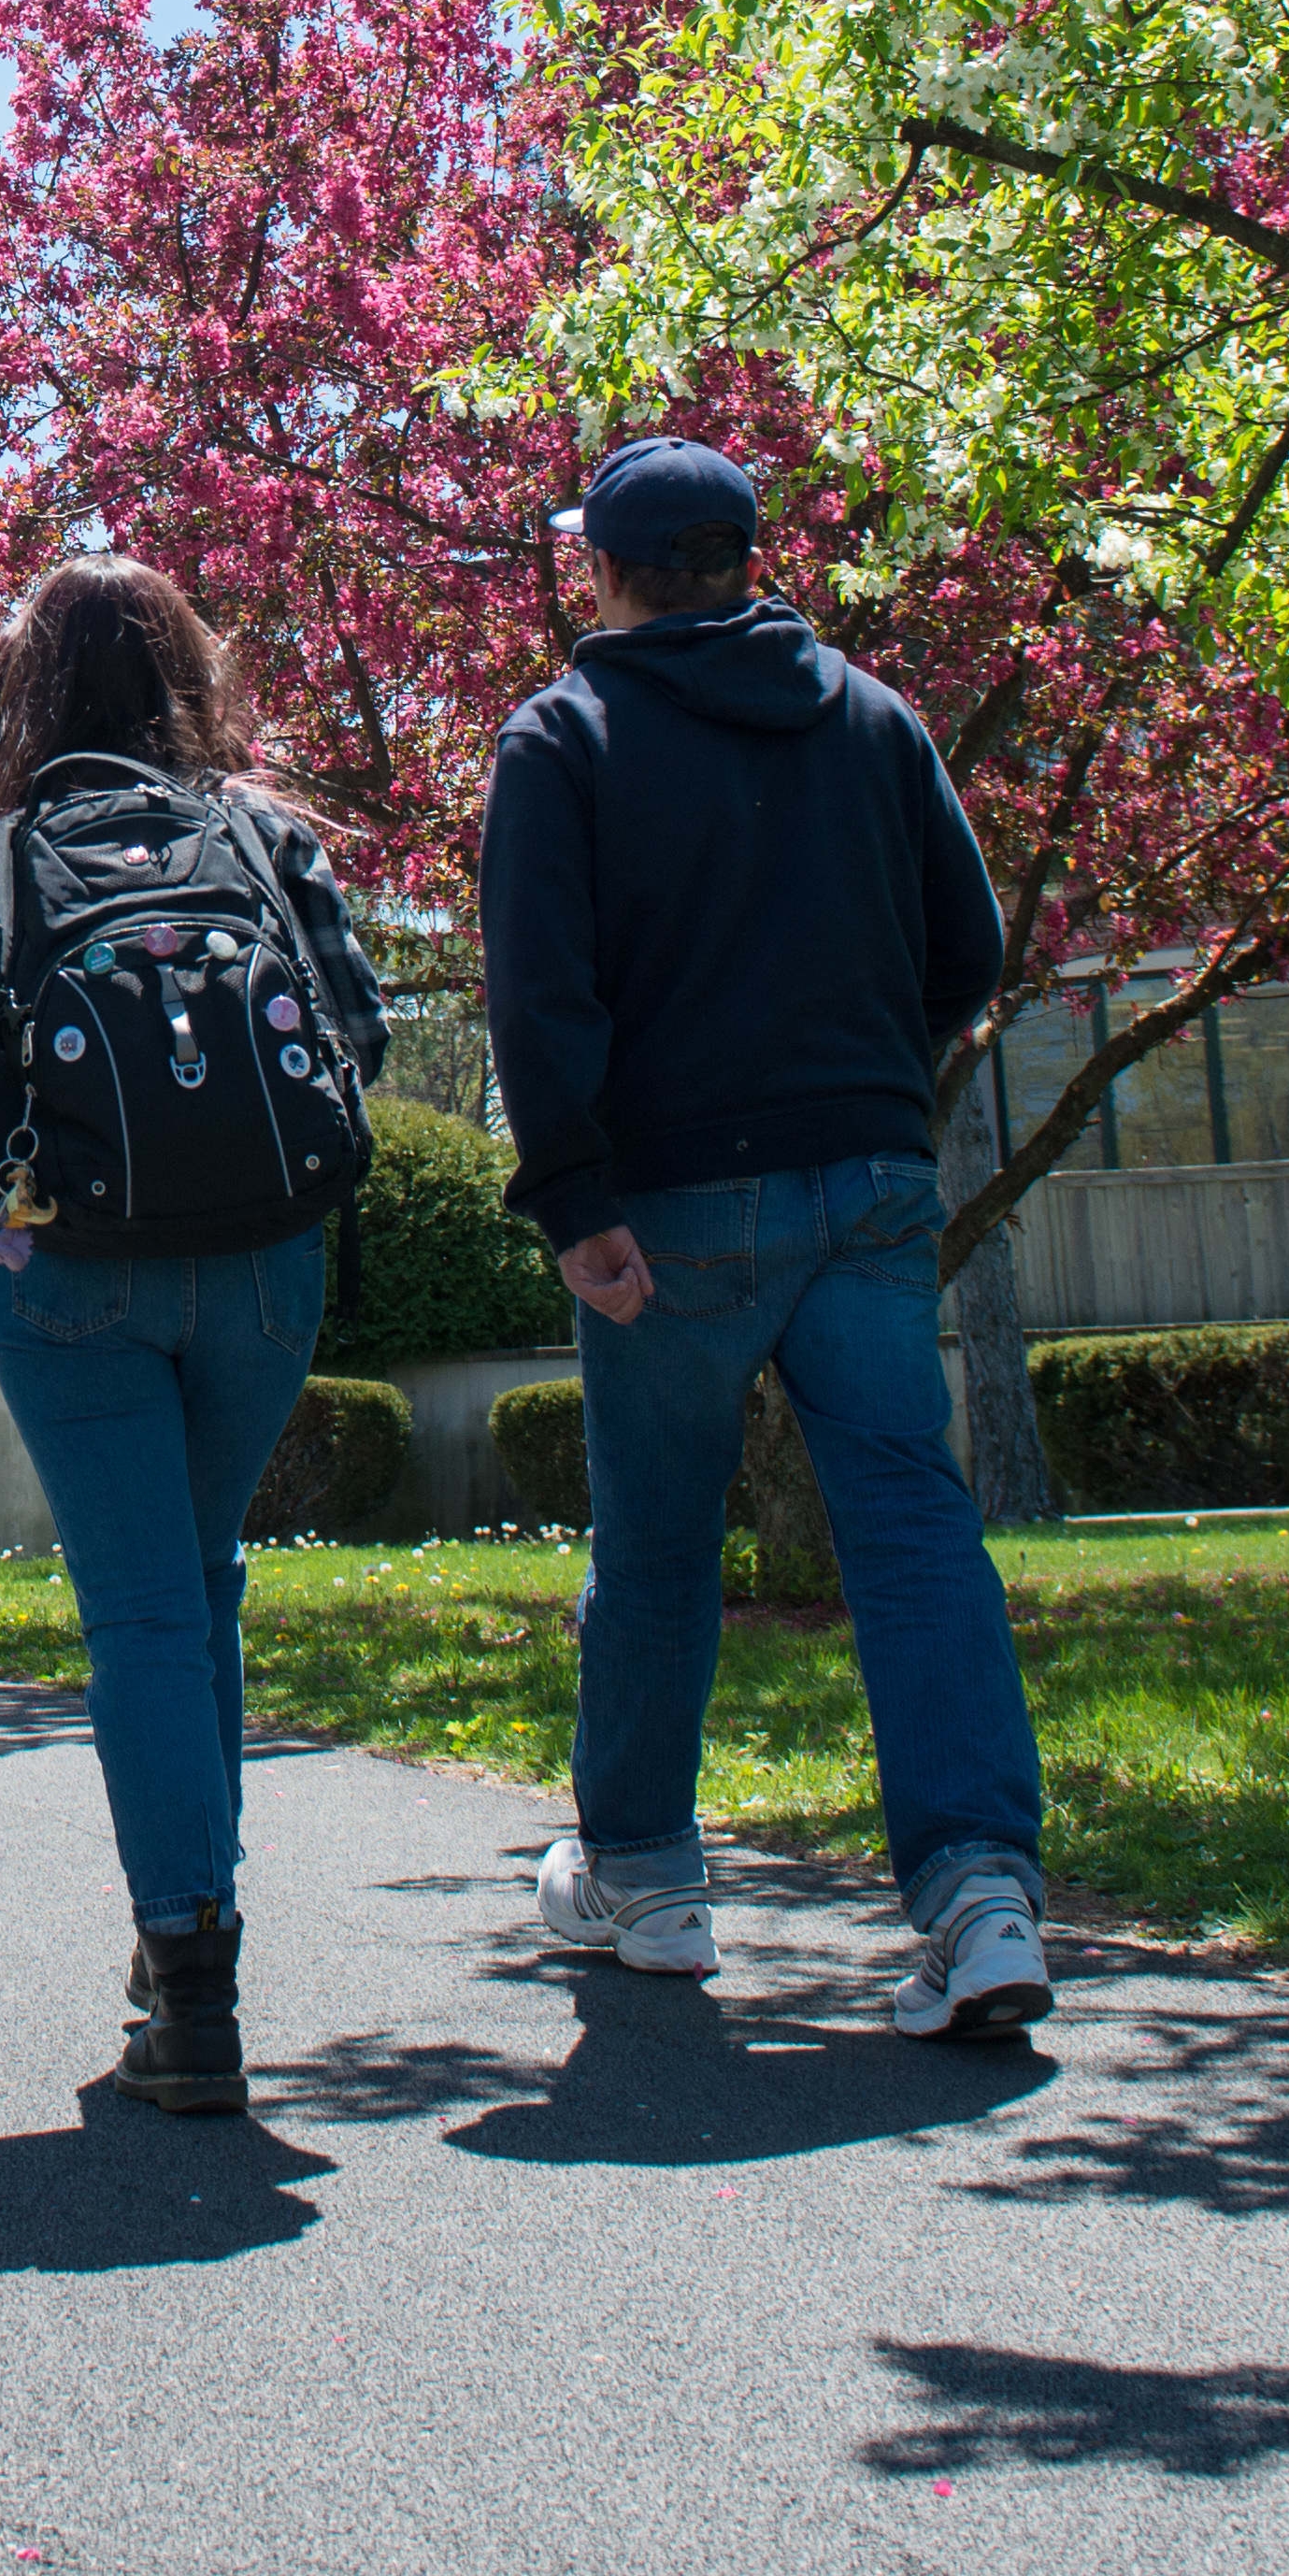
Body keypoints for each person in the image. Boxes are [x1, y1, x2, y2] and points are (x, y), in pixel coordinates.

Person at [0, 555, 385, 2116]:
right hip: (269, 1268)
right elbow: (360, 1030)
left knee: (143, 1615)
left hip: (69, 1263)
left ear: (18, 685)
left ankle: (192, 1977)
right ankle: (184, 1945)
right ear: (183, 672)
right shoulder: (258, 831)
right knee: (201, 1588)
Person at [480, 433, 1048, 2038]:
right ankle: (979, 1893)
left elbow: (541, 990)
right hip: (866, 1175)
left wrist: (577, 1197)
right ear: (742, 559)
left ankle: (649, 1876)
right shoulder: (874, 717)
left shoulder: (565, 734)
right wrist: (878, 1085)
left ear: (603, 565)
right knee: (913, 1527)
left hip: (668, 1202)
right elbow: (971, 944)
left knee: (658, 1535)